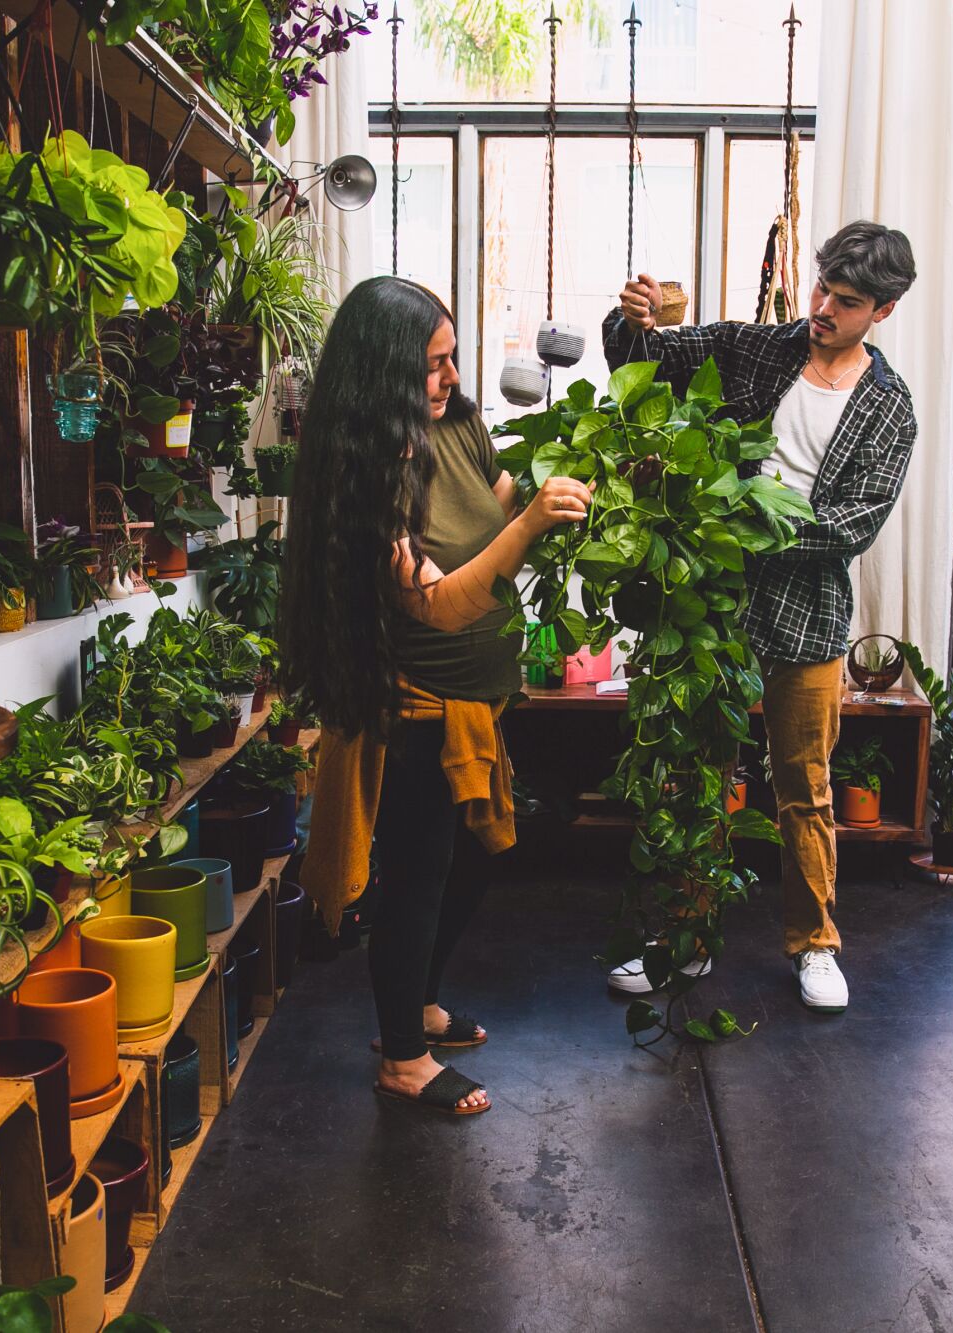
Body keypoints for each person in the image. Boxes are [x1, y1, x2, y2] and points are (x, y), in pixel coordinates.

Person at [286, 276, 591, 1115]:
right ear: (384, 373)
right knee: (419, 876)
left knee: (469, 865)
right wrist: (530, 526)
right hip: (416, 705)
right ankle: (402, 1058)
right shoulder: (367, 470)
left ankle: (414, 1004)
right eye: (432, 364)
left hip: (478, 696)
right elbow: (435, 600)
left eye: (453, 357)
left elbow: (485, 510)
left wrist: (536, 486)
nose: (450, 376)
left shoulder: (454, 425)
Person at [600, 220, 918, 1014]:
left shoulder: (890, 409)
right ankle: (686, 941)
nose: (822, 308)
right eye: (820, 290)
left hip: (808, 613)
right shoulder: (757, 349)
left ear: (881, 310)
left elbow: (855, 524)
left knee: (803, 786)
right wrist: (632, 321)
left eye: (845, 302)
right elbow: (647, 363)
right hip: (715, 600)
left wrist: (753, 517)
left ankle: (815, 945)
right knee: (698, 773)